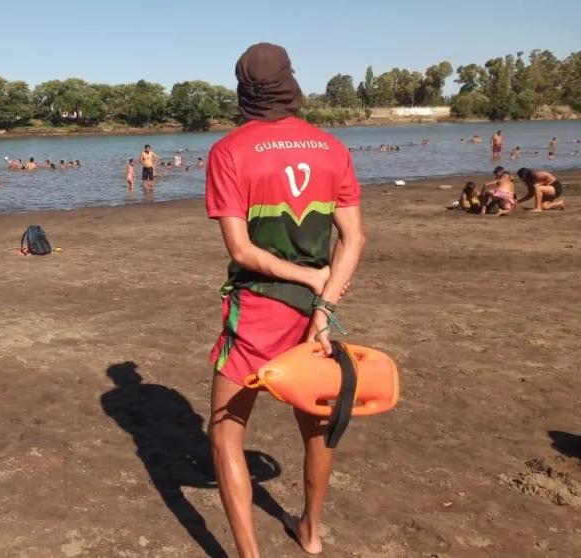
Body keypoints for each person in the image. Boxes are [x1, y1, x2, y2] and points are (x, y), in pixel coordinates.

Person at [205, 42, 365, 557]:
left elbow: (241, 251)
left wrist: (308, 278)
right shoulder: (331, 148)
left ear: (243, 88)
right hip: (312, 314)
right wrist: (324, 305)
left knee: (226, 430)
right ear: (290, 82)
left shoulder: (229, 151)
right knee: (316, 426)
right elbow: (353, 238)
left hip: (257, 309)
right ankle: (310, 532)